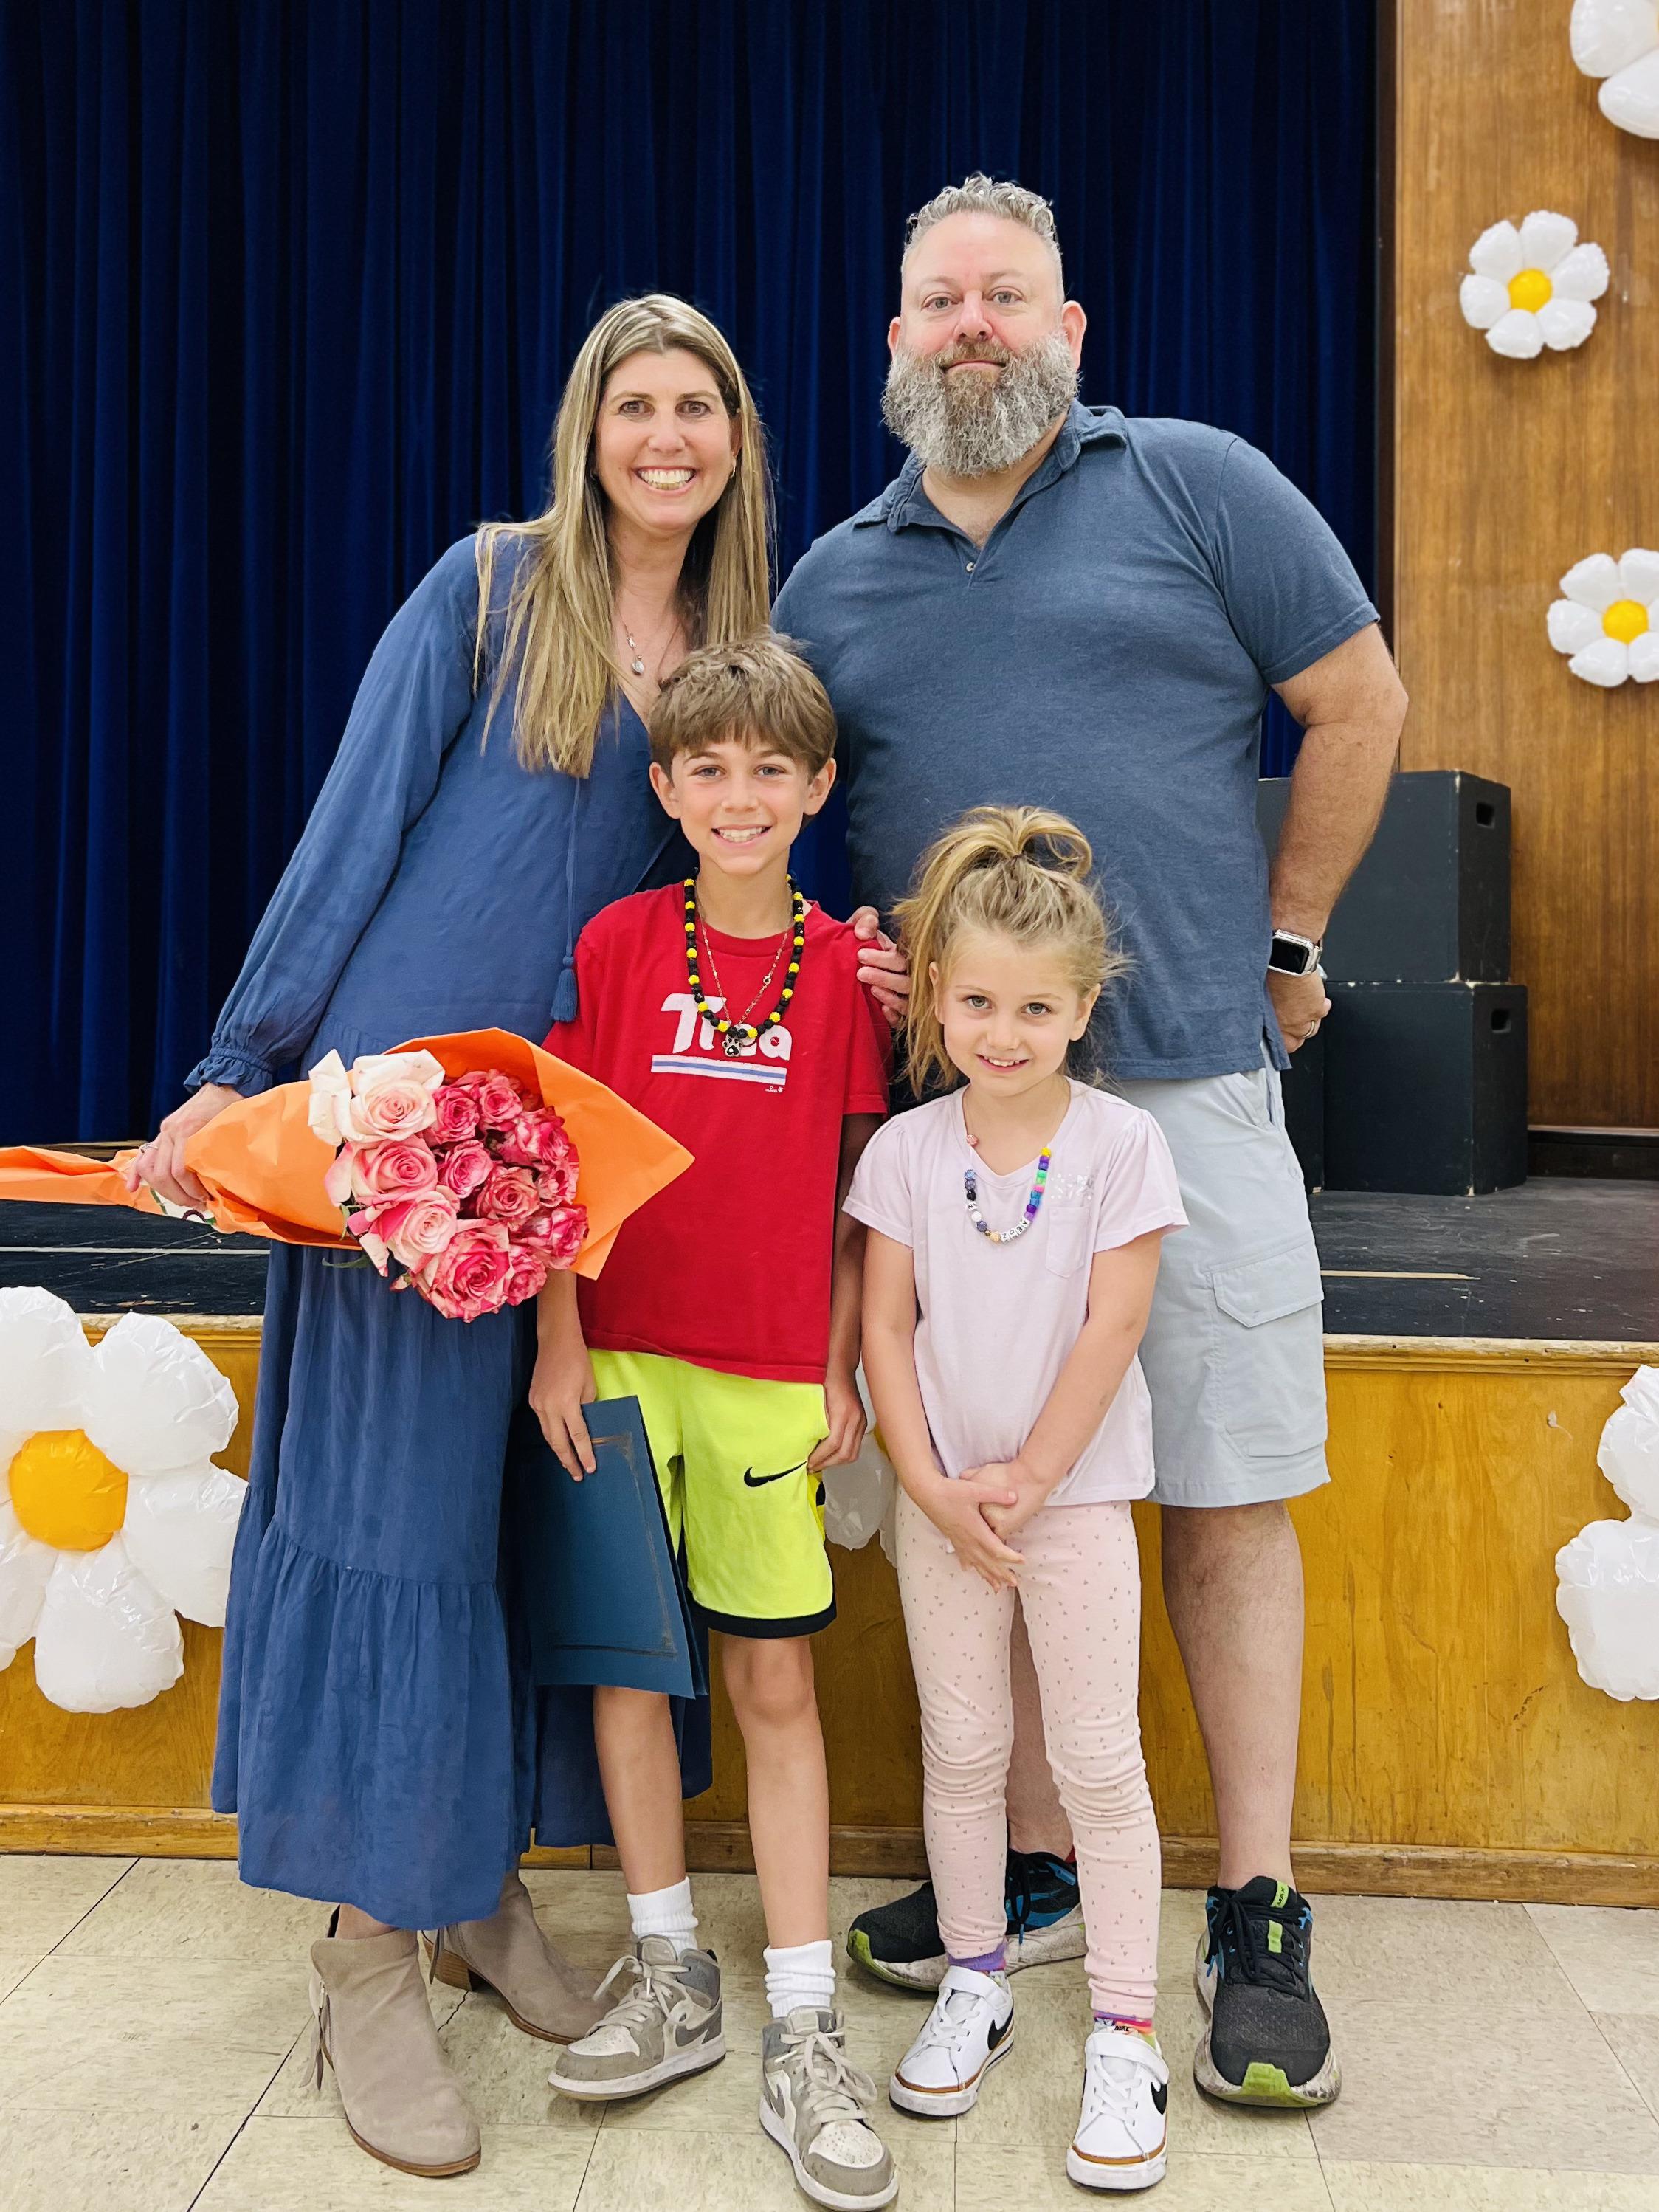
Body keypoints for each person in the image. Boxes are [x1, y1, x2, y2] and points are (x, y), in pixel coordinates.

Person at [124, 296, 905, 2181]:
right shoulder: (486, 592)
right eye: (633, 402)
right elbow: (350, 831)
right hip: (410, 1148)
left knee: (519, 1533)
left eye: (694, 404)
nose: (664, 433)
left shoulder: (742, 665)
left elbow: (757, 894)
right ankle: (363, 1949)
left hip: (590, 1182)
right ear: (589, 428)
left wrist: (866, 955)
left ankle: (469, 1885)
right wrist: (241, 1078)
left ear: (734, 438)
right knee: (391, 1529)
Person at [774, 175, 1409, 2110]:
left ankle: (1256, 1902)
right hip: (952, 1136)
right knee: (1012, 1491)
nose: (973, 325)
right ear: (895, 344)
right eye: (939, 301)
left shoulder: (1200, 485)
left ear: (1070, 331)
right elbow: (771, 829)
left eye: (1008, 298)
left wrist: (1290, 943)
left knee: (1221, 1493)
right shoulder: (832, 579)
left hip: (1191, 1089)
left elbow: (1357, 698)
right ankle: (1037, 1877)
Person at [533, 636, 898, 2210]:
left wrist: (839, 1366)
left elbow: (850, 1200)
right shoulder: (615, 944)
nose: (736, 794)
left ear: (816, 787)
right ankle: (669, 1964)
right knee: (630, 1667)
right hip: (615, 1360)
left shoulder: (845, 972)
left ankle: (804, 2019)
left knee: (767, 1675)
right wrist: (555, 1343)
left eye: (770, 769)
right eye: (707, 767)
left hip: (761, 1371)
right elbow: (556, 1158)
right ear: (667, 786)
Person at [851, 807, 1187, 2192]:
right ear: (935, 995)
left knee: (1099, 1760)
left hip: (1074, 1500)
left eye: (1034, 1007)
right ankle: (976, 1977)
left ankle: (1126, 2025)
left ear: (1081, 1007)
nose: (1002, 1029)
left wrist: (1031, 1480)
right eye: (977, 999)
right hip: (945, 1512)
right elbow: (882, 1328)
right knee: (967, 1748)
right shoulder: (909, 1153)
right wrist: (931, 1485)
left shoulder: (1120, 1149)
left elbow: (1113, 1330)